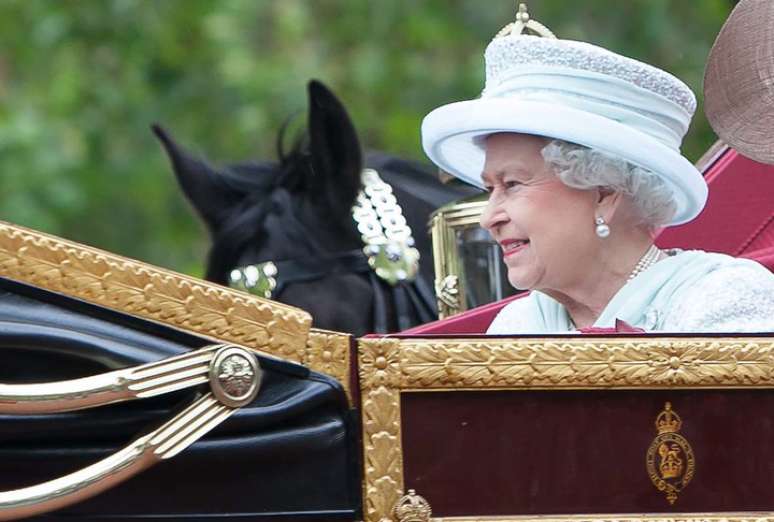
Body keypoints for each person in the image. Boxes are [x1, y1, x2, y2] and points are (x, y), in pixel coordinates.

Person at [421, 5, 774, 333]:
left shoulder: (723, 300)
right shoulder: (516, 326)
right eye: (489, 189)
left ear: (604, 192)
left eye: (512, 184)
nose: (489, 218)